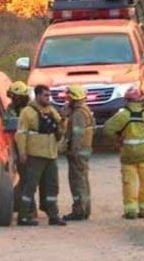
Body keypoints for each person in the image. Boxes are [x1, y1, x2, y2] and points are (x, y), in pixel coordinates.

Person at [102, 86, 144, 219]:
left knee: (129, 183)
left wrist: (118, 138)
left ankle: (130, 211)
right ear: (139, 100)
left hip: (127, 156)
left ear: (126, 100)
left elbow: (107, 129)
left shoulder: (122, 115)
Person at [15, 84, 66, 226]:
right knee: (30, 186)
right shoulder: (27, 112)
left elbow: (60, 128)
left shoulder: (51, 110)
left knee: (52, 186)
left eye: (49, 95)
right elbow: (21, 134)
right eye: (45, 95)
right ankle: (24, 216)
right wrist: (22, 152)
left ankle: (53, 215)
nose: (48, 98)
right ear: (37, 96)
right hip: (35, 155)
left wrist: (63, 118)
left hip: (51, 154)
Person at [61, 84, 94, 221]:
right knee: (83, 180)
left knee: (77, 182)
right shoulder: (85, 110)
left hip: (78, 152)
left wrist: (73, 151)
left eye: (69, 97)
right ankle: (85, 209)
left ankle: (79, 210)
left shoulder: (78, 113)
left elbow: (77, 134)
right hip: (84, 150)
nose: (67, 100)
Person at [6, 81, 37, 219]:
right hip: (20, 148)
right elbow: (7, 121)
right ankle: (25, 207)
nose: (13, 100)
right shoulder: (12, 108)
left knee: (27, 180)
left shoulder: (32, 110)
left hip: (32, 149)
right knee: (25, 179)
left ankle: (29, 209)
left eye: (15, 97)